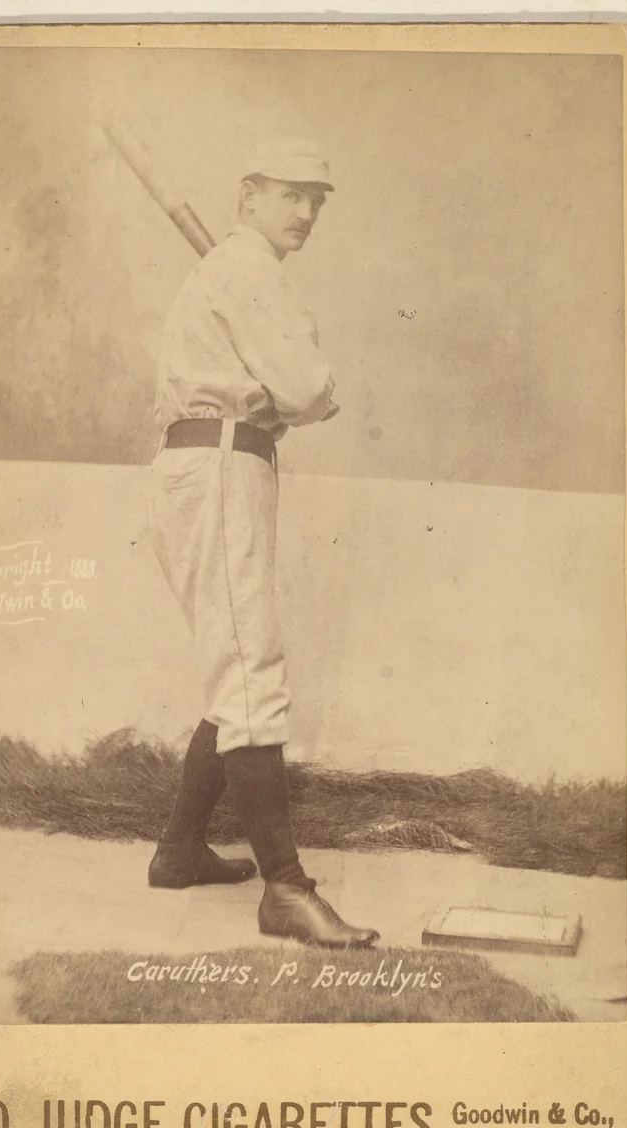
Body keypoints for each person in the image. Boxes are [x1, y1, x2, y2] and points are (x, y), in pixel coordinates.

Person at [146, 138, 379, 948]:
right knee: (249, 672)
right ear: (249, 195)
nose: (308, 212)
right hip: (218, 460)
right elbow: (309, 386)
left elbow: (288, 389)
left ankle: (178, 849)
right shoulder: (247, 269)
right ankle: (286, 889)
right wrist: (315, 390)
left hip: (217, 461)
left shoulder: (240, 270)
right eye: (292, 194)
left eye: (319, 198)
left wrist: (294, 394)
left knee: (234, 664)